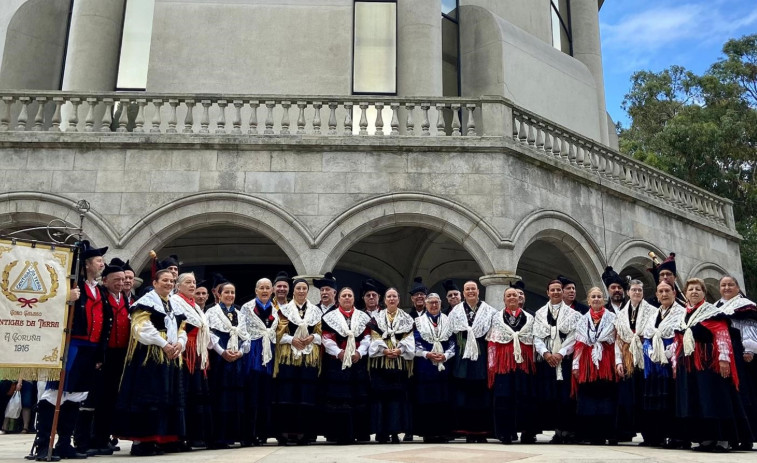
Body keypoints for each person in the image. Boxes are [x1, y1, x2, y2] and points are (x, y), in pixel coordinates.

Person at [33, 240, 100, 461]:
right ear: (87, 264)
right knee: (56, 393)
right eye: (99, 261)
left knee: (76, 395)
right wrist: (66, 298)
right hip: (72, 345)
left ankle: (64, 443)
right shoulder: (71, 284)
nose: (102, 264)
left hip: (89, 348)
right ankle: (43, 445)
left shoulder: (96, 288)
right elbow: (46, 302)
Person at [112, 269, 187, 456]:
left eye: (171, 281)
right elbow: (141, 328)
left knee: (167, 397)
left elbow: (182, 328)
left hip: (170, 357)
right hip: (150, 356)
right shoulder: (145, 303)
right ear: (154, 283)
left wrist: (180, 343)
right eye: (165, 280)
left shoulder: (173, 305)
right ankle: (142, 441)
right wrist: (163, 343)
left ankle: (163, 439)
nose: (169, 284)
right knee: (148, 396)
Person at [674, 278, 745, 452]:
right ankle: (705, 438)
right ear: (686, 293)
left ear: (704, 293)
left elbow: (722, 335)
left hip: (710, 362)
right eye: (691, 289)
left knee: (715, 398)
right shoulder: (684, 315)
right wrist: (675, 362)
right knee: (699, 400)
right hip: (691, 364)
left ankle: (723, 439)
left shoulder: (712, 312)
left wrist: (723, 359)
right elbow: (679, 340)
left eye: (698, 289)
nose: (694, 292)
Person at [272, 278, 322, 445]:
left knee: (306, 394)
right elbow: (277, 332)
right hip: (288, 356)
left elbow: (320, 332)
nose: (301, 291)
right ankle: (285, 433)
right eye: (298, 288)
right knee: (287, 394)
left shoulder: (315, 311)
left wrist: (312, 337)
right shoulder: (284, 310)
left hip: (308, 358)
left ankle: (303, 433)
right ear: (293, 291)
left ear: (307, 291)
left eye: (304, 288)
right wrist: (291, 339)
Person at [319, 287, 371, 444]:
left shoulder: (363, 316)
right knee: (338, 399)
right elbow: (326, 338)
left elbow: (368, 337)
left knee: (357, 397)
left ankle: (359, 433)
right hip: (337, 363)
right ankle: (338, 434)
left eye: (350, 295)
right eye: (344, 295)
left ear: (354, 299)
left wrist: (359, 352)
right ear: (338, 299)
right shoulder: (330, 317)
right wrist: (338, 352)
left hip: (357, 362)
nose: (347, 298)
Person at [86, 262, 128, 455]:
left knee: (112, 399)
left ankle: (105, 437)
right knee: (98, 399)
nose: (121, 283)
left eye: (123, 279)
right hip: (104, 355)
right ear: (105, 281)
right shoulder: (101, 298)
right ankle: (92, 438)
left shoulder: (126, 300)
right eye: (116, 280)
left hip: (120, 355)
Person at [447, 280, 498, 442]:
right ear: (463, 293)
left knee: (482, 395)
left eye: (473, 289)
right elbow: (451, 335)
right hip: (462, 357)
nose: (470, 291)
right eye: (467, 289)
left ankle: (482, 432)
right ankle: (467, 431)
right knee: (463, 395)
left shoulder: (489, 311)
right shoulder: (455, 311)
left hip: (481, 356)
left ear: (478, 291)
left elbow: (494, 334)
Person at [487, 287, 538, 444]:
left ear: (520, 298)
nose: (512, 298)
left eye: (514, 295)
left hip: (524, 364)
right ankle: (505, 433)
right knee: (503, 398)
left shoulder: (529, 318)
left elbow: (534, 341)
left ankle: (527, 433)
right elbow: (492, 343)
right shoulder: (496, 318)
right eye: (508, 295)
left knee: (525, 398)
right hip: (503, 364)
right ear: (504, 299)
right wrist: (491, 365)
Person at [532, 280, 580, 444]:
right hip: (547, 362)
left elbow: (575, 336)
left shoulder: (573, 315)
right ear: (548, 292)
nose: (556, 292)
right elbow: (536, 337)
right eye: (553, 290)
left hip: (564, 360)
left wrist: (560, 353)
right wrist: (546, 354)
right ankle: (557, 431)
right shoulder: (539, 313)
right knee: (550, 396)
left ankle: (568, 431)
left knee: (566, 396)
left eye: (559, 290)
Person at [170, 272, 213, 449]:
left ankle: (197, 435)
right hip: (185, 353)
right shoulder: (175, 301)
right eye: (188, 282)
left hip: (198, 354)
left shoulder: (194, 305)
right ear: (178, 286)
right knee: (184, 394)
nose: (192, 285)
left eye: (194, 282)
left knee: (198, 395)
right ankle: (181, 436)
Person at [367, 288, 415, 444]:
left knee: (397, 399)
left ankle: (395, 432)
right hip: (381, 364)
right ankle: (382, 432)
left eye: (394, 296)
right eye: (389, 296)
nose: (392, 299)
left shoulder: (407, 318)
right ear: (385, 300)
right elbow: (374, 336)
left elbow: (409, 338)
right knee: (381, 398)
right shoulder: (376, 318)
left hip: (399, 364)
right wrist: (384, 349)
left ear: (399, 299)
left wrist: (400, 350)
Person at [572, 286, 618, 445]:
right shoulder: (582, 319)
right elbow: (578, 343)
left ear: (604, 300)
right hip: (587, 362)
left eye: (599, 296)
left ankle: (608, 433)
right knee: (588, 398)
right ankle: (591, 434)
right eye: (593, 297)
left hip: (606, 360)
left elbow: (617, 342)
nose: (597, 299)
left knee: (606, 397)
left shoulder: (612, 318)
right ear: (588, 300)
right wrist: (575, 365)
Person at [206, 281, 249, 448]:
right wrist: (222, 352)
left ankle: (235, 435)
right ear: (219, 294)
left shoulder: (240, 314)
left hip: (237, 361)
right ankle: (219, 437)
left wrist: (240, 352)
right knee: (220, 396)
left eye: (233, 292)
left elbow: (247, 338)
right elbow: (210, 335)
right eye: (227, 292)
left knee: (236, 397)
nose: (230, 295)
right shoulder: (212, 312)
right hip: (219, 360)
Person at [716, 275, 757, 450]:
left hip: (742, 355)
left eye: (730, 285)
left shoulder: (747, 306)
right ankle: (733, 435)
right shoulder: (716, 307)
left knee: (744, 393)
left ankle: (747, 437)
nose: (726, 288)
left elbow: (751, 329)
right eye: (723, 285)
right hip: (724, 354)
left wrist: (749, 349)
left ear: (737, 287)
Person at [240, 278, 279, 445]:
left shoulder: (275, 310)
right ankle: (248, 434)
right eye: (261, 288)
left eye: (267, 288)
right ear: (256, 290)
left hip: (268, 353)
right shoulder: (247, 308)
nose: (264, 291)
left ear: (272, 291)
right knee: (252, 394)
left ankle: (262, 433)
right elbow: (242, 330)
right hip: (253, 353)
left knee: (265, 394)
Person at [412, 293, 456, 442]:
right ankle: (428, 433)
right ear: (425, 304)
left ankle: (443, 432)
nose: (434, 305)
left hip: (444, 366)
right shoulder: (418, 322)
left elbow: (453, 342)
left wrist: (446, 355)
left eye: (436, 302)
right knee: (427, 400)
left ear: (440, 303)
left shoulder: (448, 321)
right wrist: (427, 354)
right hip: (425, 366)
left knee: (444, 399)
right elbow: (415, 342)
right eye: (430, 303)